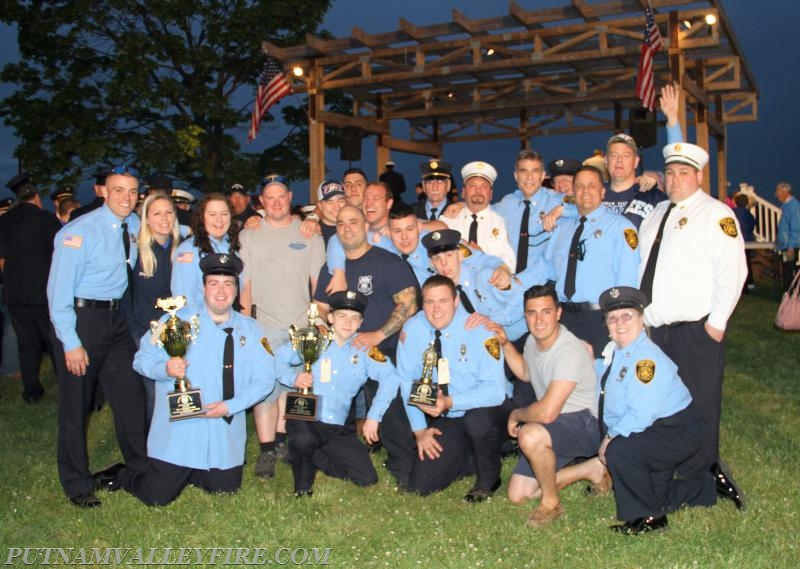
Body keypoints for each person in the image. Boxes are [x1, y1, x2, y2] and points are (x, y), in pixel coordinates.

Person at [94, 253, 275, 506]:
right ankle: (123, 474)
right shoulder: (175, 321)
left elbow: (265, 379)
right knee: (157, 497)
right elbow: (141, 359)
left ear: (237, 290)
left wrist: (230, 406)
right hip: (180, 434)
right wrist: (165, 368)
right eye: (214, 284)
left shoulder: (252, 329)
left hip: (223, 436)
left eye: (228, 284)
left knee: (225, 490)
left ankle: (194, 473)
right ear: (203, 288)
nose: (221, 292)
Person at [639, 142, 747, 511]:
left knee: (700, 404)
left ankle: (702, 477)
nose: (675, 179)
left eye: (683, 173)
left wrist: (715, 325)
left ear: (698, 176)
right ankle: (672, 466)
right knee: (665, 405)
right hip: (656, 330)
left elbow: (733, 271)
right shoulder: (655, 214)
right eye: (670, 172)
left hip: (695, 330)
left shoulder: (715, 214)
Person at [46, 164, 147, 508]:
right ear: (103, 191)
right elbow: (57, 293)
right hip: (82, 319)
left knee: (131, 397)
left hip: (117, 319)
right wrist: (71, 342)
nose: (126, 197)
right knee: (77, 403)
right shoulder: (77, 233)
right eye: (119, 190)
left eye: (132, 191)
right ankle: (76, 482)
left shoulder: (134, 224)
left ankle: (140, 467)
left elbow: (168, 230)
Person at [314, 205, 419, 488]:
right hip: (342, 351)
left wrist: (377, 335)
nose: (347, 228)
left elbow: (409, 303)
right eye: (341, 224)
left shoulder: (387, 261)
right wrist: (331, 336)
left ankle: (403, 468)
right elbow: (320, 307)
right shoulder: (331, 268)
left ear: (365, 226)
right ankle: (336, 455)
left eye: (353, 222)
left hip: (381, 348)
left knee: (391, 407)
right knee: (333, 400)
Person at [596, 286, 707, 535]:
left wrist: (609, 439)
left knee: (621, 452)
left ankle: (649, 518)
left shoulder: (646, 359)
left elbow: (640, 414)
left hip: (678, 430)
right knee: (659, 496)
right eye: (612, 318)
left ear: (641, 319)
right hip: (657, 428)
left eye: (627, 316)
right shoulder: (620, 352)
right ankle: (708, 485)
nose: (619, 323)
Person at [488, 284, 601, 527]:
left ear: (558, 313)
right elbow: (528, 373)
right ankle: (592, 469)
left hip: (585, 424)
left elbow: (548, 413)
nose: (539, 320)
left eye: (546, 312)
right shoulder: (532, 341)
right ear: (525, 315)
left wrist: (516, 415)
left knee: (530, 434)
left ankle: (551, 504)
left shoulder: (568, 350)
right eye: (532, 313)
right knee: (518, 495)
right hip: (558, 427)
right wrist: (505, 343)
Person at [238, 176, 325, 479]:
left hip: (299, 324)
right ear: (260, 201)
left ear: (290, 197)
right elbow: (244, 284)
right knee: (266, 389)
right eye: (269, 198)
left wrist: (317, 322)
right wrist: (244, 323)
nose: (276, 203)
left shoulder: (309, 233)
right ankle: (265, 451)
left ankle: (282, 443)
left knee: (291, 386)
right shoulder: (249, 234)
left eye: (281, 197)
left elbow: (318, 283)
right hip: (263, 324)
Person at [276, 290, 402, 496]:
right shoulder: (315, 339)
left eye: (354, 318)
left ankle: (311, 456)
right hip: (306, 417)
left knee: (366, 477)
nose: (348, 323)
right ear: (331, 317)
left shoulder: (364, 349)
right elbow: (278, 359)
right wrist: (293, 378)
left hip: (338, 426)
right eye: (342, 316)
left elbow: (391, 377)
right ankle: (303, 485)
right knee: (304, 440)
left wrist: (373, 416)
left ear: (361, 322)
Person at [398, 275, 509, 502]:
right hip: (447, 417)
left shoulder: (481, 331)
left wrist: (450, 402)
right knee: (422, 484)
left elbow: (496, 392)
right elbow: (405, 379)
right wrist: (419, 430)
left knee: (476, 423)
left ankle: (488, 478)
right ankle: (471, 452)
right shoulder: (412, 329)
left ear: (456, 301)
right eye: (429, 302)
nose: (436, 310)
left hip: (485, 409)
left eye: (443, 301)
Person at [523, 166, 640, 360]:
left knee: (600, 382)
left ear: (603, 192)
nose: (585, 191)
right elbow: (545, 268)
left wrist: (622, 324)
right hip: (565, 321)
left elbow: (627, 284)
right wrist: (513, 282)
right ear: (573, 192)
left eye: (592, 186)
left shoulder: (621, 228)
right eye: (580, 186)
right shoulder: (563, 228)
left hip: (602, 320)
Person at [0, 173, 61, 402]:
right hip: (43, 290)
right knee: (52, 338)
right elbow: (59, 254)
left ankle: (32, 390)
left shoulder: (4, 220)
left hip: (14, 291)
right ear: (36, 197)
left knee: (26, 341)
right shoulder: (46, 219)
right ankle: (64, 382)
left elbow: (2, 259)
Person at [124, 193, 180, 424]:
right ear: (146, 218)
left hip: (181, 334)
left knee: (180, 389)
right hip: (146, 333)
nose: (164, 218)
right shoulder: (135, 252)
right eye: (157, 213)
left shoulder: (185, 249)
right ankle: (153, 447)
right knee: (153, 394)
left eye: (168, 212)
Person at [495, 150, 562, 274]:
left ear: (543, 176)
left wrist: (562, 210)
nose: (529, 177)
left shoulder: (556, 201)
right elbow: (482, 210)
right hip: (511, 282)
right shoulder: (506, 204)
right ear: (516, 176)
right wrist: (462, 205)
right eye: (523, 171)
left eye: (535, 171)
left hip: (543, 284)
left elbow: (582, 205)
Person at [171, 193, 240, 312]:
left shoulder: (234, 247)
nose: (219, 219)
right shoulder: (188, 251)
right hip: (200, 324)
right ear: (202, 217)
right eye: (212, 214)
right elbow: (183, 301)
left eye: (224, 214)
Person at [441, 161, 516, 268]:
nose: (478, 190)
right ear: (463, 192)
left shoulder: (502, 223)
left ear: (491, 194)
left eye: (484, 186)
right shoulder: (448, 221)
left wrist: (483, 257)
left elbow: (510, 263)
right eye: (472, 185)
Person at [775, 182, 800, 291]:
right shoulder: (786, 206)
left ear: (785, 192)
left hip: (792, 246)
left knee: (790, 271)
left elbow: (796, 227)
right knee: (786, 270)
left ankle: (790, 295)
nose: (776, 195)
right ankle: (788, 294)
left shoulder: (793, 206)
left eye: (778, 192)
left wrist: (790, 246)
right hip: (786, 245)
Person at [732, 193, 757, 292]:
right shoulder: (749, 214)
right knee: (747, 263)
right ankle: (749, 284)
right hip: (747, 242)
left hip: (736, 242)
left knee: (737, 265)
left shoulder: (732, 212)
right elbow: (753, 225)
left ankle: (739, 286)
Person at [315, 179, 347, 246]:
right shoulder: (314, 232)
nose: (336, 207)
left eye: (340, 200)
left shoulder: (355, 229)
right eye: (330, 202)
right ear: (320, 206)